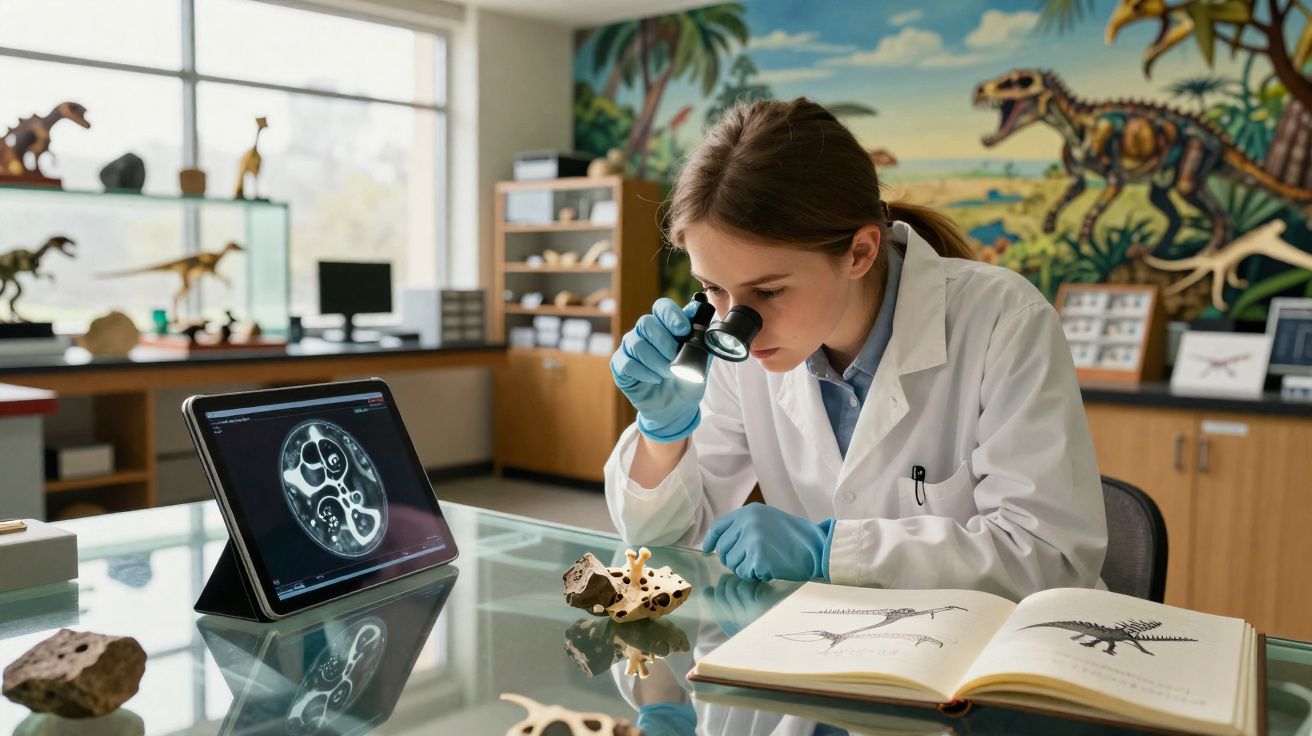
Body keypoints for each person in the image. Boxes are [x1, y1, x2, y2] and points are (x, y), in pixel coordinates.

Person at [604, 98, 1106, 600]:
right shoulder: (736, 345)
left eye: (770, 292)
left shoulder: (1003, 320)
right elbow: (664, 549)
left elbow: (1049, 557)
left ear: (860, 252)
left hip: (983, 651)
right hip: (824, 641)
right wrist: (662, 436)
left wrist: (832, 551)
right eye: (713, 288)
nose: (739, 327)